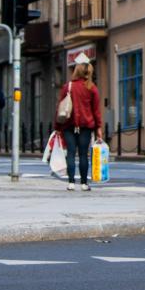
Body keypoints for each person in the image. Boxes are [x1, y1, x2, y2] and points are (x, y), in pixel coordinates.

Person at [55, 53, 103, 191]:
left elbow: (60, 108)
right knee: (83, 154)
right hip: (86, 126)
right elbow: (96, 111)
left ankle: (70, 182)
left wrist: (57, 127)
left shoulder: (68, 87)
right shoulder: (92, 88)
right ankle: (83, 183)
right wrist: (98, 127)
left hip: (68, 125)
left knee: (70, 153)